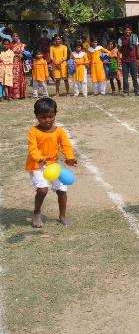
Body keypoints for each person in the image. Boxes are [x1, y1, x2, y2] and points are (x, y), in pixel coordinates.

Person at [26, 98, 77, 227]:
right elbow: (33, 148)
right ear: (36, 116)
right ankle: (37, 213)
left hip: (53, 165)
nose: (47, 120)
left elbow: (66, 146)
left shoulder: (59, 131)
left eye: (51, 116)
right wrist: (39, 158)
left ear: (55, 114)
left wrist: (69, 158)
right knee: (43, 190)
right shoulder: (33, 131)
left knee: (62, 190)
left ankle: (62, 215)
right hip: (37, 165)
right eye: (43, 117)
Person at [118, 25, 139, 96]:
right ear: (124, 31)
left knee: (134, 77)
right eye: (126, 30)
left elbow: (137, 48)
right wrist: (119, 60)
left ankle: (137, 91)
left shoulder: (135, 37)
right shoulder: (120, 39)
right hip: (124, 60)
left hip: (133, 60)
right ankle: (125, 91)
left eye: (129, 30)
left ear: (131, 31)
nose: (127, 31)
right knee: (125, 77)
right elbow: (118, 50)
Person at [8, 31, 27, 99]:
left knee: (19, 77)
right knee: (12, 78)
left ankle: (20, 94)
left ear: (18, 37)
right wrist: (15, 54)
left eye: (16, 36)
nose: (15, 37)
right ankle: (11, 95)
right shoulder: (9, 45)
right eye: (13, 36)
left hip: (19, 63)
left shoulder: (22, 45)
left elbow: (25, 54)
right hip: (11, 63)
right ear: (11, 37)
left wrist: (22, 55)